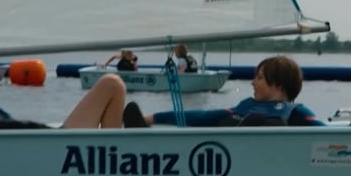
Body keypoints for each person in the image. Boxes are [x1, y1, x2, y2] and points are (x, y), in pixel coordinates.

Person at [123, 55, 325, 128]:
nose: (253, 83)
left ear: (278, 85)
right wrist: (153, 118)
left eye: (260, 78)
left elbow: (327, 133)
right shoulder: (246, 106)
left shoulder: (296, 112)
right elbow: (204, 116)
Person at [0, 67, 128, 130]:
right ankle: (117, 154)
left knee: (112, 86)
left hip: (57, 145)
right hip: (58, 145)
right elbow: (8, 127)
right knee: (111, 83)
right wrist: (48, 131)